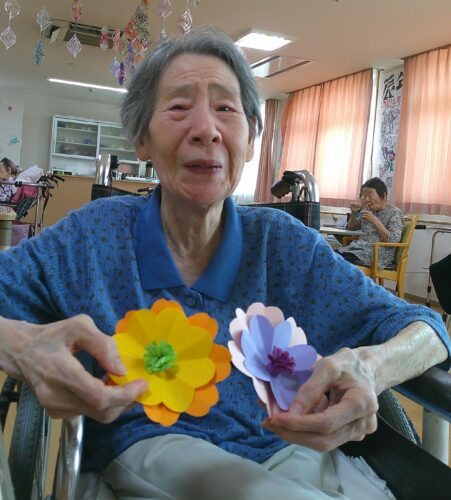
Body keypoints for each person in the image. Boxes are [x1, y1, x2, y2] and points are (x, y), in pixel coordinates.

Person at [0, 29, 449, 500]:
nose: (205, 129)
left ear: (251, 139)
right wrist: (21, 345)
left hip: (291, 452)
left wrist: (371, 367)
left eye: (226, 108)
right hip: (150, 455)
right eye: (178, 107)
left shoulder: (281, 244)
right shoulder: (95, 238)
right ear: (142, 139)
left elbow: (427, 328)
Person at [336, 177, 404, 267]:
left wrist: (374, 220)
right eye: (364, 196)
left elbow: (393, 240)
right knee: (329, 255)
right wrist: (353, 213)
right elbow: (352, 229)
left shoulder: (394, 213)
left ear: (383, 196)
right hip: (357, 249)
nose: (366, 199)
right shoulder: (367, 210)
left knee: (333, 259)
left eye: (370, 195)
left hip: (376, 254)